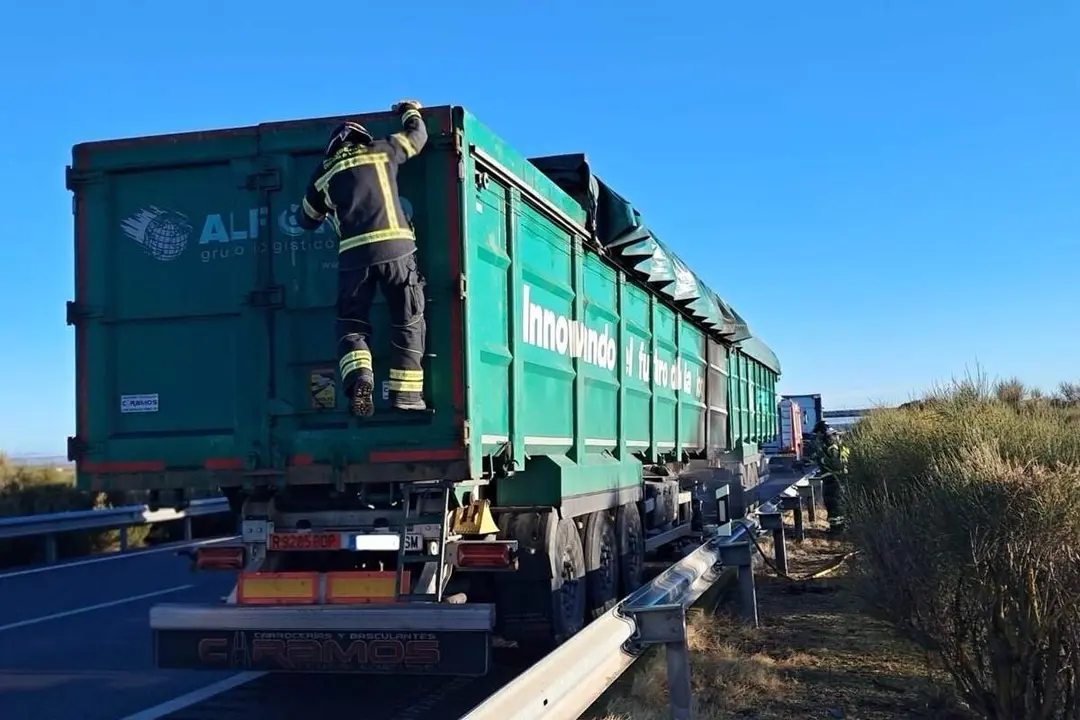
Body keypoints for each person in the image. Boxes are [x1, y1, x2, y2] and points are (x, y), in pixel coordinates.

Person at [295, 100, 429, 416]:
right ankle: (407, 396)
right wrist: (410, 110)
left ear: (333, 148)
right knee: (408, 320)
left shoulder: (325, 172)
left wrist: (326, 205)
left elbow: (306, 219)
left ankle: (360, 379)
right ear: (362, 139)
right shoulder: (383, 150)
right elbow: (418, 136)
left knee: (351, 324)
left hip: (355, 258)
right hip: (398, 251)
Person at [812, 421, 850, 531]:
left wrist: (820, 459)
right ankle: (837, 526)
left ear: (822, 431)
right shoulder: (834, 438)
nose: (817, 436)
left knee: (833, 502)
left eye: (818, 433)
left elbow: (833, 460)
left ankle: (837, 528)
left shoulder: (830, 441)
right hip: (836, 476)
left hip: (833, 477)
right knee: (834, 501)